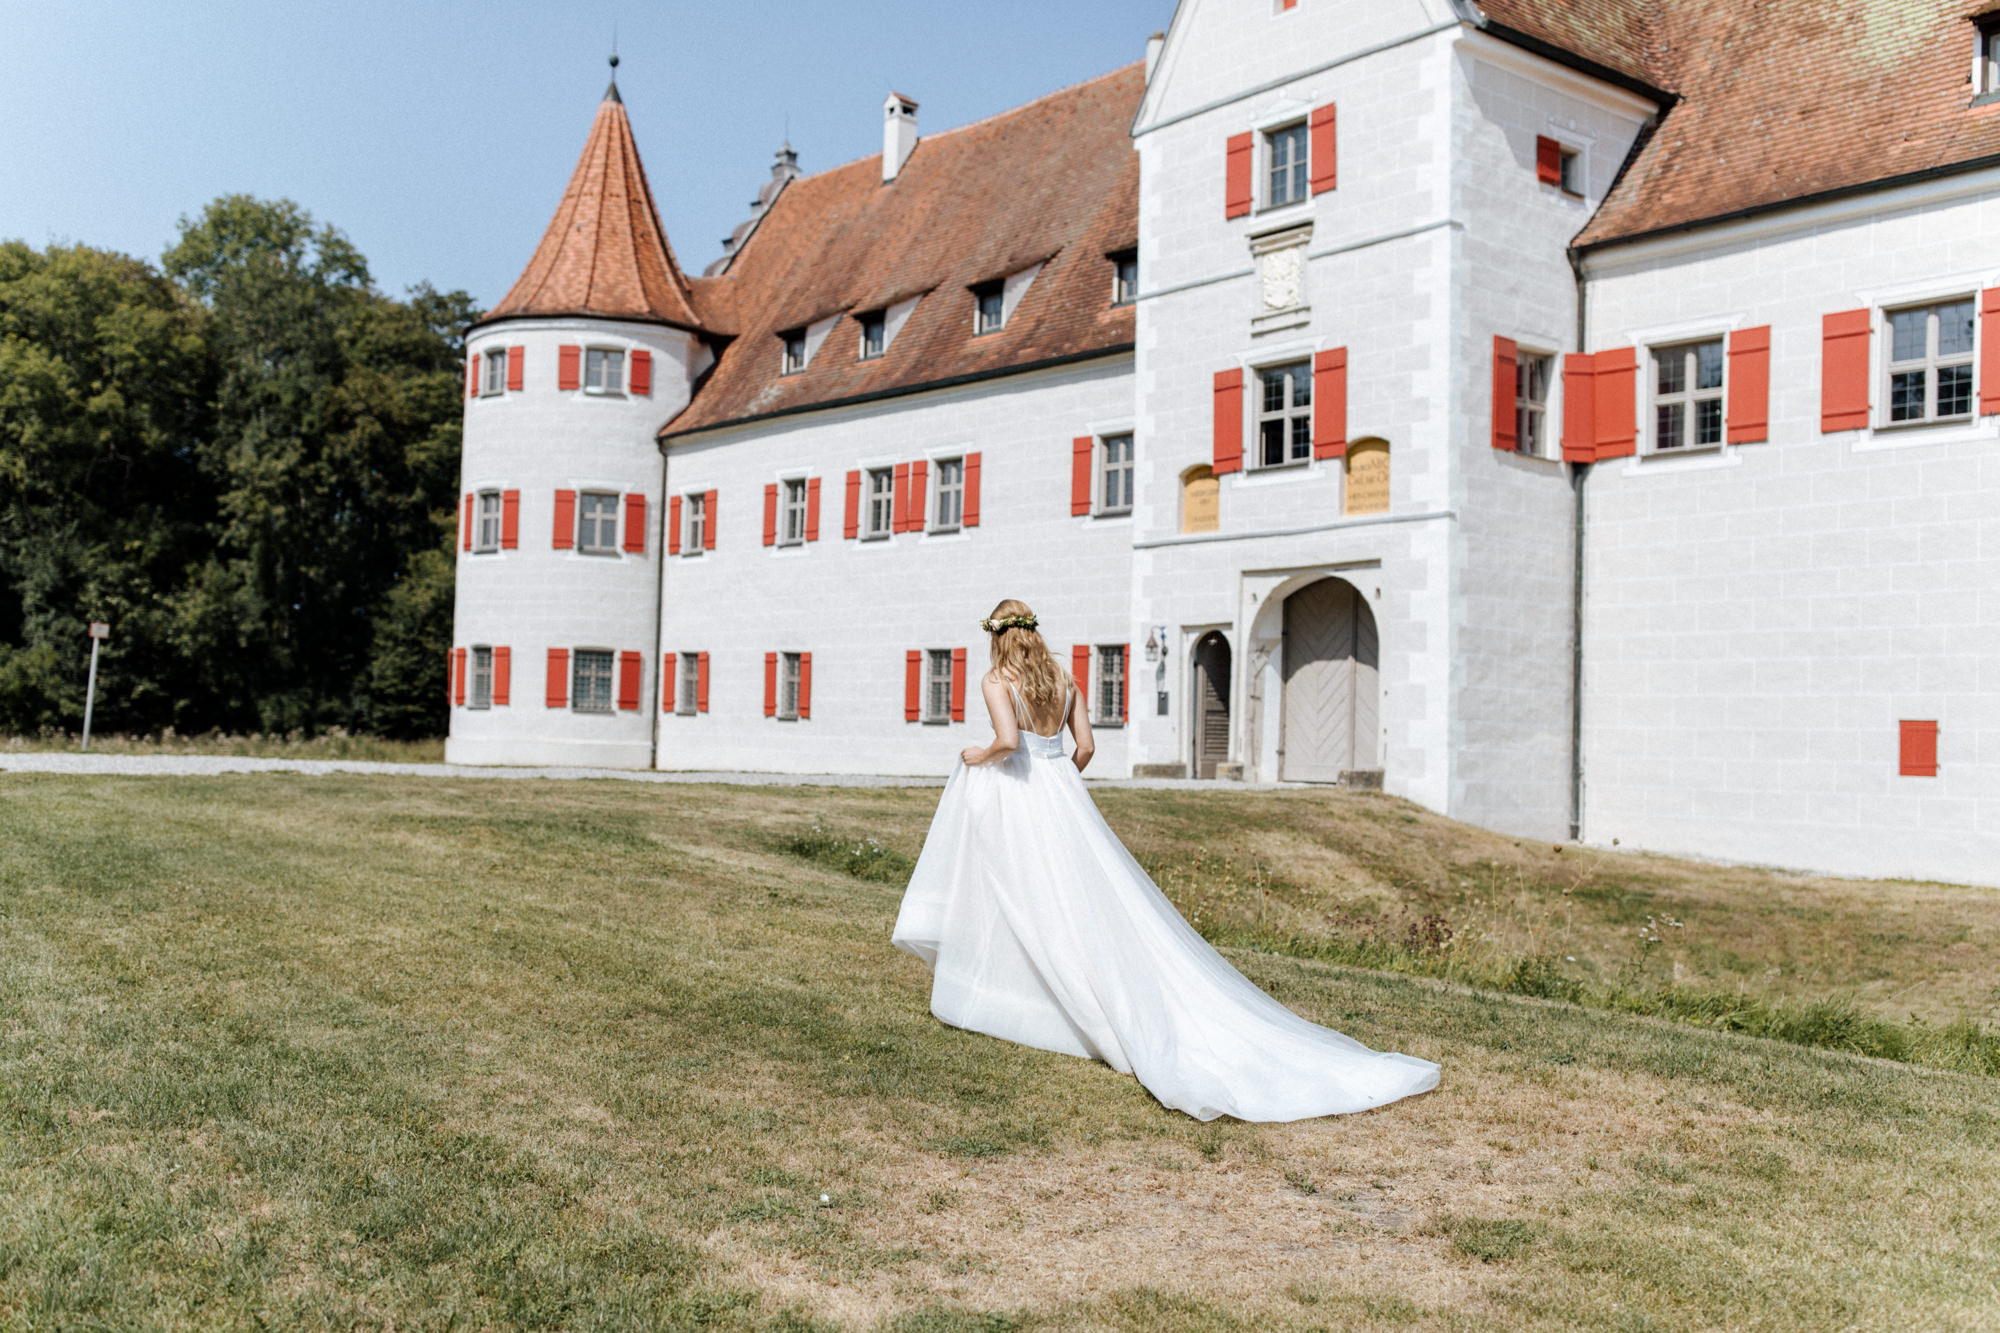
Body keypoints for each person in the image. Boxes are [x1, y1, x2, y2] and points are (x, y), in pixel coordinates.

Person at [892, 599, 1440, 1122]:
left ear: (996, 636)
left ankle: (1017, 995)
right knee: (1084, 898)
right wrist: (1059, 784)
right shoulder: (1066, 679)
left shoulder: (996, 681)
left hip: (1020, 792)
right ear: (1032, 631)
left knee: (1023, 894)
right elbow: (1085, 749)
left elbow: (1008, 742)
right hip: (1063, 794)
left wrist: (977, 754)